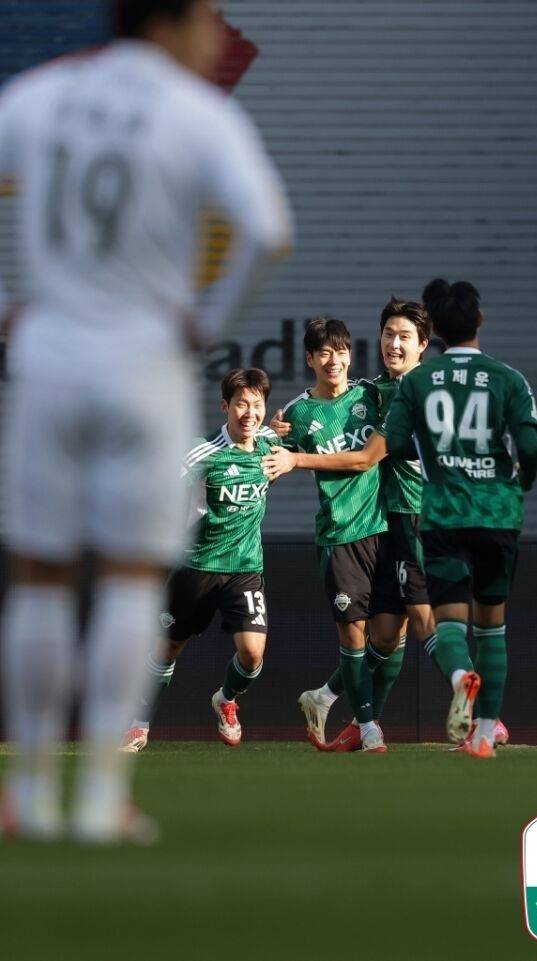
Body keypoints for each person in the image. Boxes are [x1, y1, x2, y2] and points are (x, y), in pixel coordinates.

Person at [0, 0, 292, 842]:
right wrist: (205, 322)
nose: (215, 34)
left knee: (41, 576)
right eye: (203, 17)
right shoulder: (193, 111)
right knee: (132, 580)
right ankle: (99, 796)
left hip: (51, 357)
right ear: (168, 24)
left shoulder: (42, 94)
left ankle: (28, 791)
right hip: (144, 362)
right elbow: (269, 230)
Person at [265, 297, 510, 749]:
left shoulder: (419, 391)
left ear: (423, 345)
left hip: (420, 518)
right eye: (388, 334)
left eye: (405, 337)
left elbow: (365, 459)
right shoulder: (377, 390)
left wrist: (296, 458)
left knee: (422, 616)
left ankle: (478, 708)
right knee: (386, 633)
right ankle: (345, 709)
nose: (394, 344)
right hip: (388, 523)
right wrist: (277, 432)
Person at [380, 279, 537, 757]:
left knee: (449, 621)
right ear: (479, 321)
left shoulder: (418, 381)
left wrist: (434, 451)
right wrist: (522, 481)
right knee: (492, 625)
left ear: (435, 332)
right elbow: (529, 445)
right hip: (497, 513)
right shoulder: (509, 378)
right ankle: (485, 735)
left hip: (444, 515)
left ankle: (458, 677)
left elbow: (396, 443)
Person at [266, 299, 435, 748]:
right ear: (309, 358)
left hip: (384, 529)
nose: (334, 360)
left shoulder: (370, 395)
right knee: (356, 635)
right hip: (339, 535)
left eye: (340, 351)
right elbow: (268, 452)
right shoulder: (297, 413)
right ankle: (368, 726)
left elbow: (366, 457)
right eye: (323, 353)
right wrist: (272, 439)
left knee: (390, 635)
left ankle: (325, 697)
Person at [120, 368, 277, 752]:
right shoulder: (202, 451)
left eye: (257, 405)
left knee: (253, 654)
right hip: (196, 567)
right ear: (225, 406)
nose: (250, 413)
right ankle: (139, 726)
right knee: (167, 649)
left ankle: (226, 699)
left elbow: (285, 454)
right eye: (241, 404)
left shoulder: (270, 443)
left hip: (245, 568)